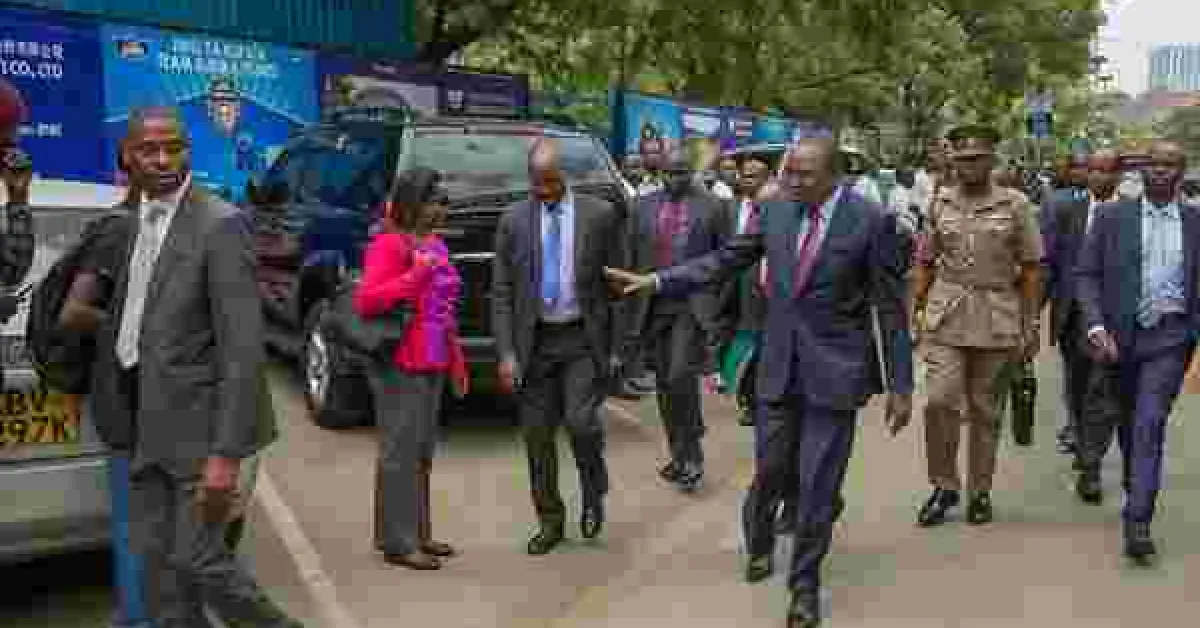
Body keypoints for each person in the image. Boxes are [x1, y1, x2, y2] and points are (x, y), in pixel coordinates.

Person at [606, 137, 913, 628]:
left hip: (836, 373)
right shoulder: (774, 214)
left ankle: (804, 588)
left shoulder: (870, 223)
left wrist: (901, 383)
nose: (789, 181)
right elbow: (724, 261)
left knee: (817, 485)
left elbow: (891, 308)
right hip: (778, 369)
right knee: (771, 469)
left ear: (834, 175)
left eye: (803, 174)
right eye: (788, 171)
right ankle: (761, 538)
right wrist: (658, 281)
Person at [86, 106, 300, 628]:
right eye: (148, 150)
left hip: (200, 435)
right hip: (144, 428)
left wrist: (226, 456)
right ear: (126, 157)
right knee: (158, 573)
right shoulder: (133, 220)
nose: (162, 160)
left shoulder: (220, 225)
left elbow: (243, 348)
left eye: (174, 147)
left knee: (202, 562)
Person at [491, 139, 626, 555]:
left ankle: (593, 491)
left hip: (582, 338)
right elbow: (501, 290)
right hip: (535, 343)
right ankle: (550, 520)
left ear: (564, 175)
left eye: (550, 182)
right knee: (536, 437)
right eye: (536, 183)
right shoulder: (513, 219)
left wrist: (619, 345)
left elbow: (619, 284)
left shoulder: (598, 215)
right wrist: (507, 353)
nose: (543, 191)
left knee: (582, 423)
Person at [1075, 140, 1199, 566]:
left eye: (1170, 165)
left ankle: (1139, 520)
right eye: (1154, 164)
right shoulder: (1112, 217)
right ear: (1142, 171)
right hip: (1119, 341)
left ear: (1182, 172)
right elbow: (1086, 274)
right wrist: (1095, 325)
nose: (1161, 171)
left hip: (1170, 338)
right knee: (1128, 423)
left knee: (1149, 423)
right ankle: (1136, 483)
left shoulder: (1196, 221)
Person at [912, 124, 1042, 527]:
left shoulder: (1016, 205)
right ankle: (944, 485)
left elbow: (1033, 267)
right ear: (952, 160)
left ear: (991, 161)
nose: (969, 165)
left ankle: (980, 490)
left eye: (977, 158)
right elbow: (925, 262)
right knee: (939, 401)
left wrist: (1030, 322)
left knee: (986, 410)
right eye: (962, 158)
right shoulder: (939, 203)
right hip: (946, 313)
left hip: (997, 313)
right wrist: (913, 312)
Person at [354, 167, 467, 570]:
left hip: (433, 357)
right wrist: (414, 276)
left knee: (421, 451)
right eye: (434, 204)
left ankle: (418, 532)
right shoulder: (389, 244)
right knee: (399, 452)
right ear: (412, 205)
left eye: (442, 204)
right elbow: (368, 301)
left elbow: (443, 308)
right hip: (401, 361)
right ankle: (397, 542)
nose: (441, 211)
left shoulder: (434, 243)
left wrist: (456, 359)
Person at [626, 151, 731, 493]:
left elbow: (727, 257)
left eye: (683, 173)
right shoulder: (641, 207)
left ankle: (693, 455)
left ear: (693, 173)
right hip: (652, 305)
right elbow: (631, 255)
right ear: (661, 173)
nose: (676, 179)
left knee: (680, 375)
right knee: (666, 385)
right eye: (670, 173)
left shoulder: (714, 206)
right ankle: (678, 453)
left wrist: (717, 306)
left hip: (691, 304)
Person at [1040, 149, 1122, 500]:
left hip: (1111, 318)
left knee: (1101, 391)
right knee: (1076, 386)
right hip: (1073, 315)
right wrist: (1031, 313)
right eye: (1093, 170)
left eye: (1106, 171)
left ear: (1117, 175)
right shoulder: (1067, 211)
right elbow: (1049, 264)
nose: (1099, 177)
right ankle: (1080, 437)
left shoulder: (1130, 214)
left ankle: (1091, 465)